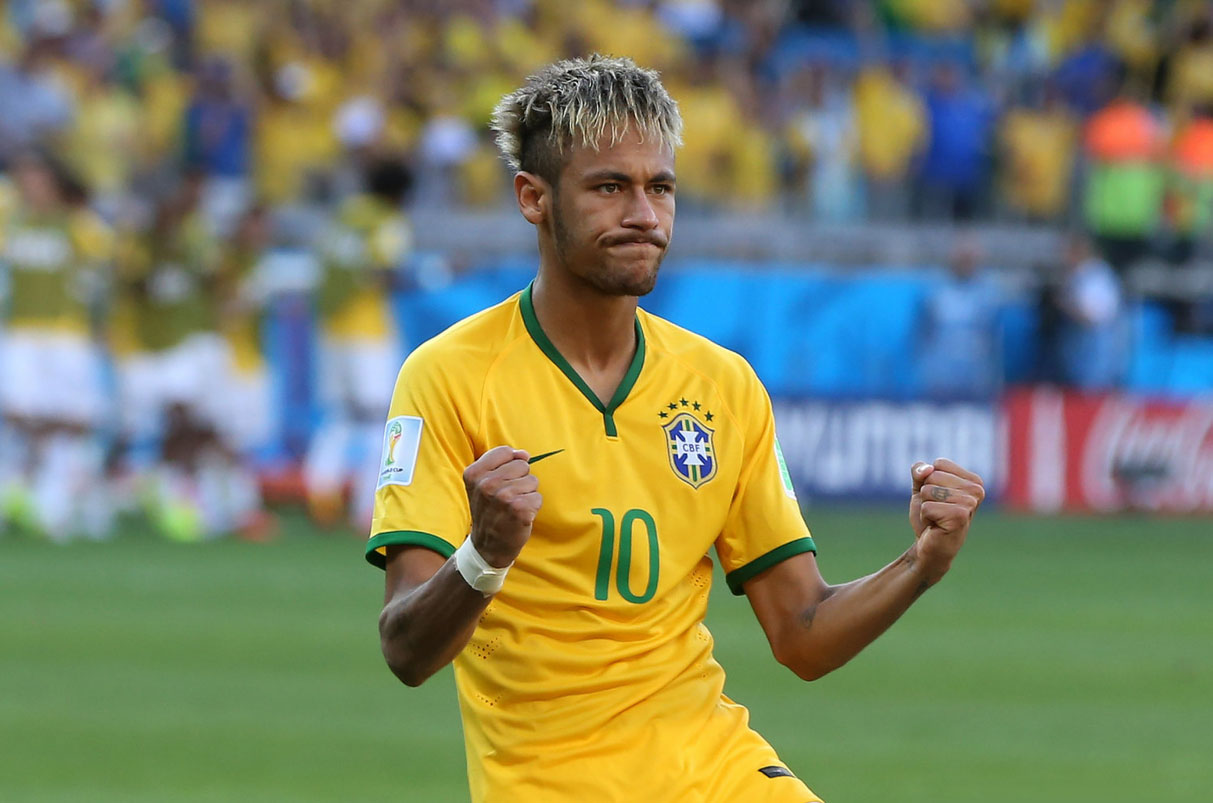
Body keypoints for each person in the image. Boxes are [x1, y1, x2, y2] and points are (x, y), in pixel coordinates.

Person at [368, 56, 985, 803]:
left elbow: (802, 631)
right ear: (533, 198)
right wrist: (485, 555)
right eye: (608, 187)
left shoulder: (721, 385)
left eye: (659, 187)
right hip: (553, 783)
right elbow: (404, 648)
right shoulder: (448, 376)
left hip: (717, 768)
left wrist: (920, 563)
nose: (644, 215)